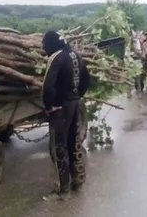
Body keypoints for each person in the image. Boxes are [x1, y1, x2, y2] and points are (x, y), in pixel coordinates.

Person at [41, 30, 91, 201]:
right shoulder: (76, 55)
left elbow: (47, 87)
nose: (43, 47)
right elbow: (86, 79)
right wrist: (77, 96)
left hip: (61, 109)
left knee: (58, 147)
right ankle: (78, 180)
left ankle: (63, 189)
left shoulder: (56, 57)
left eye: (44, 44)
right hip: (75, 105)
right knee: (73, 143)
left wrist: (50, 107)